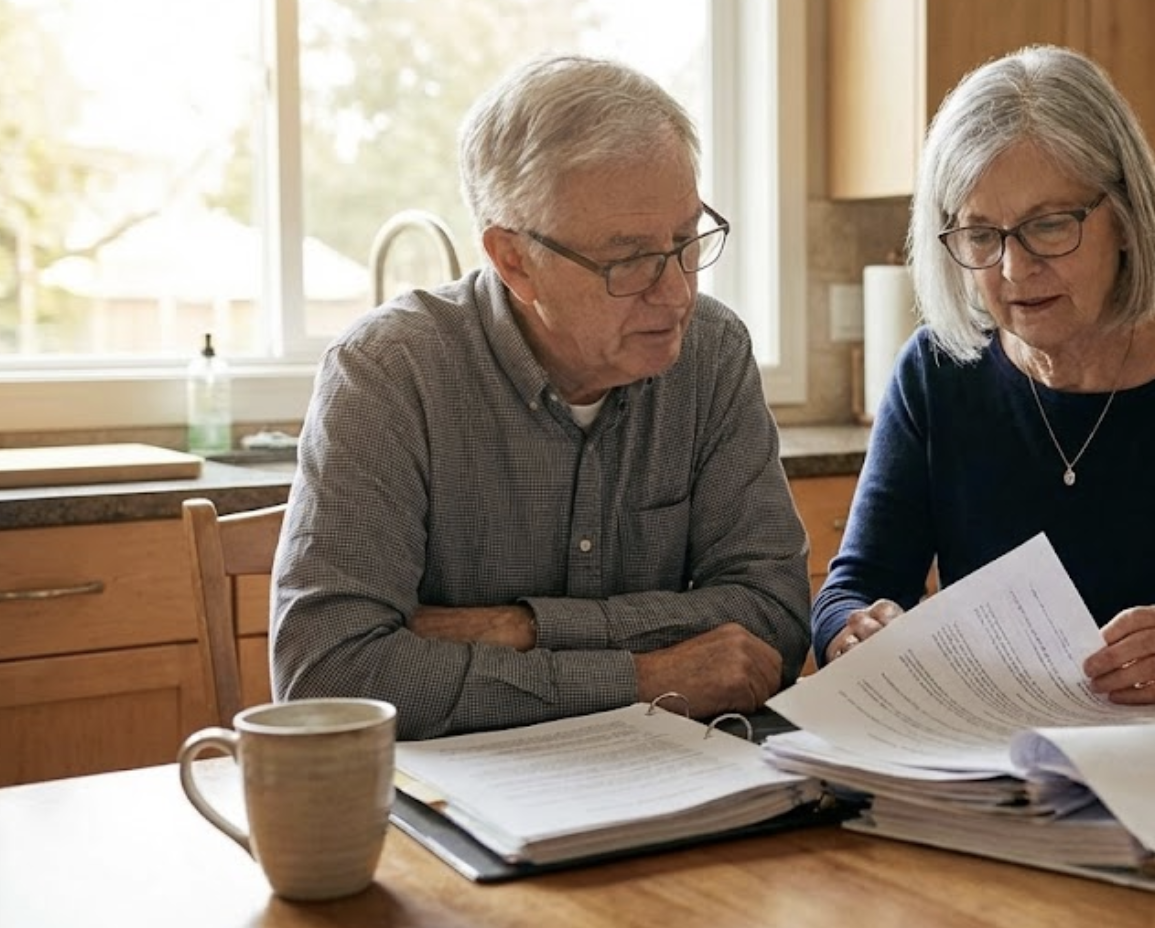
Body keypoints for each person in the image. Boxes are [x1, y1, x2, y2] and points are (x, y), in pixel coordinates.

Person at [271, 54, 811, 740]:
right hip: (453, 807)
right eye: (629, 259)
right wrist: (646, 678)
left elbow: (775, 617)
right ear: (514, 260)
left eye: (685, 241)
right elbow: (328, 676)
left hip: (669, 786)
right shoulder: (388, 373)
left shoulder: (712, 354)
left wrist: (519, 629)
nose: (676, 292)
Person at [811, 45, 1155, 703]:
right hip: (993, 759)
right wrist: (855, 629)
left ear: (1124, 215)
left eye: (1049, 226)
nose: (1012, 269)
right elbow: (855, 585)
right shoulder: (936, 374)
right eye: (981, 235)